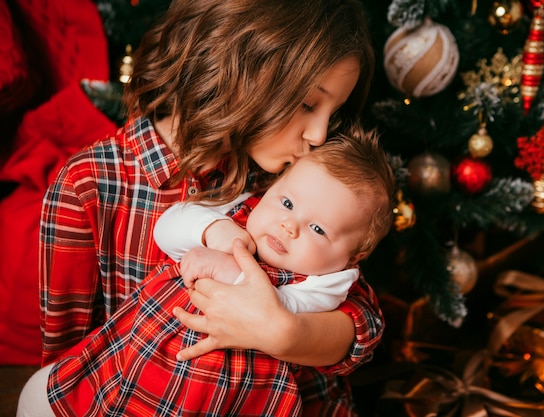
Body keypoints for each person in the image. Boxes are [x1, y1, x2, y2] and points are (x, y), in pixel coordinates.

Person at [20, 0, 382, 415]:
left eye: (332, 112)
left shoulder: (291, 177)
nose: (319, 135)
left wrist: (285, 333)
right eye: (307, 104)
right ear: (239, 67)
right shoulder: (89, 187)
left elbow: (362, 317)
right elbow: (70, 368)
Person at [25, 128, 395, 416]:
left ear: (353, 255)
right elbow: (168, 227)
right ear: (271, 189)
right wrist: (213, 231)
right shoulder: (240, 211)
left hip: (228, 394)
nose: (290, 226)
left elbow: (286, 310)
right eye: (286, 203)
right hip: (143, 354)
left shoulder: (331, 281)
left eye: (318, 229)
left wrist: (234, 271)